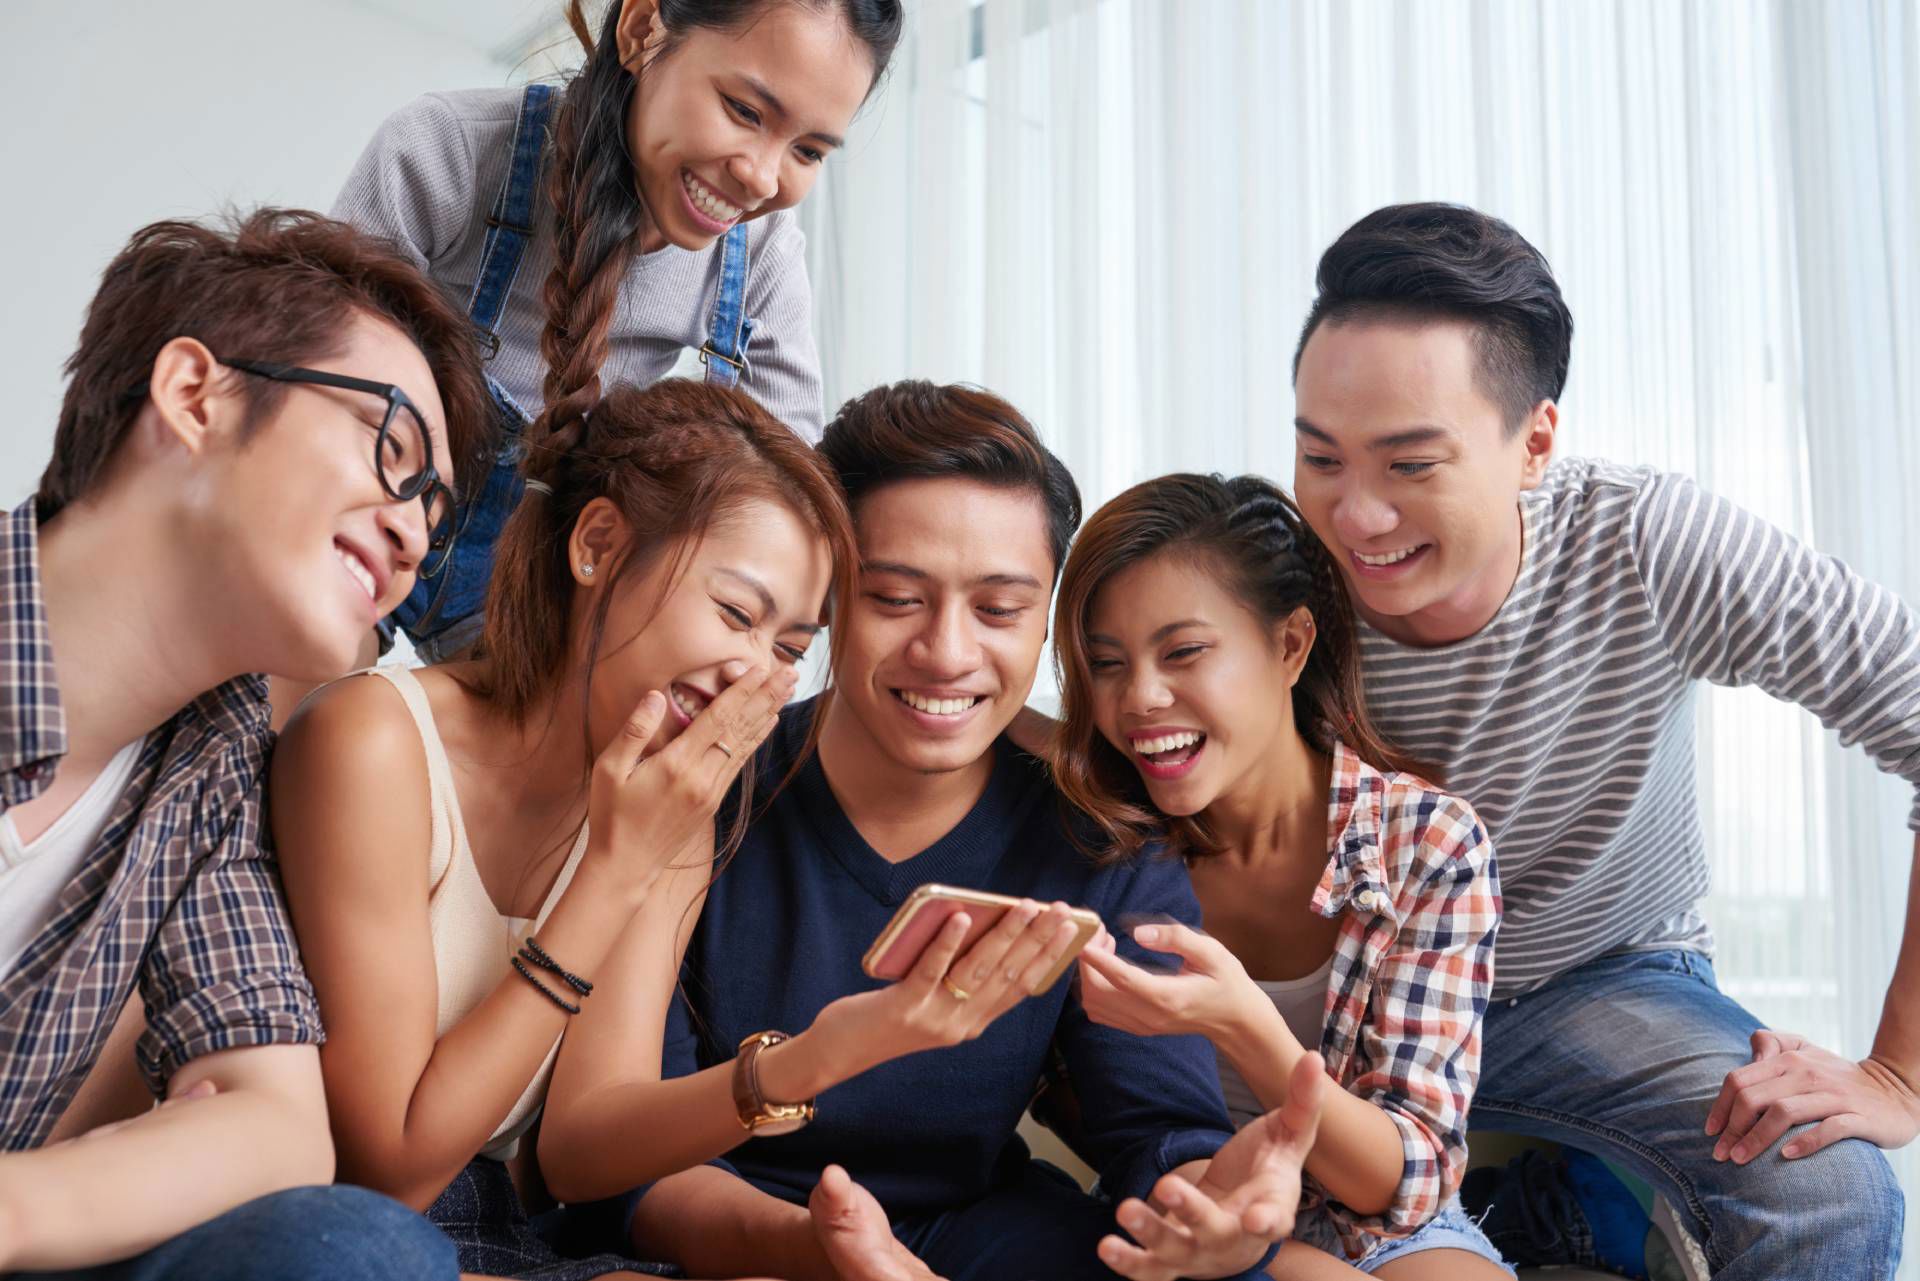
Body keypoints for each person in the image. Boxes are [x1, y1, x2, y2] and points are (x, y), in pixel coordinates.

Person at [535, 382, 1327, 1281]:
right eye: (898, 598)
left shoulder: (1098, 841)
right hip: (725, 1241)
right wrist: (824, 1251)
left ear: (1047, 623)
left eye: (998, 610)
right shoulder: (702, 789)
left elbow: (1160, 1135)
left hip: (978, 1232)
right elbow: (632, 1171)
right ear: (831, 597)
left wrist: (1215, 1205)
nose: (948, 652)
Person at [1287, 201, 1912, 1277]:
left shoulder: (1646, 542)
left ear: (1534, 443)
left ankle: (1561, 1204)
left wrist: (1899, 1075)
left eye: (1410, 465)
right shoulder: (1274, 580)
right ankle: (1553, 1211)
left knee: (1829, 1190)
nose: (1357, 517)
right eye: (1321, 458)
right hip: (1360, 1006)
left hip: (1597, 977)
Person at [269, 377, 855, 1278]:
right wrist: (613, 872)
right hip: (334, 1229)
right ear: (598, 545)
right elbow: (386, 1173)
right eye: (737, 612)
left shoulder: (671, 807)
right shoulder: (372, 741)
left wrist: (804, 1064)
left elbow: (575, 1152)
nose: (752, 672)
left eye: (786, 650)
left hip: (511, 1230)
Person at [0, 207, 489, 1279]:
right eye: (391, 450)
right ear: (195, 395)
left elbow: (281, 1130)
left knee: (359, 1249)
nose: (413, 533)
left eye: (436, 514)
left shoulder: (211, 768)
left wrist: (16, 1211)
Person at [332, 0, 902, 663]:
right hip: (367, 500)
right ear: (640, 30)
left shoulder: (761, 257)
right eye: (745, 111)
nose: (761, 176)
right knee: (303, 716)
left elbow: (791, 483)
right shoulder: (449, 150)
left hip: (533, 570)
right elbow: (322, 399)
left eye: (807, 149)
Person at [1049, 471, 1510, 1279]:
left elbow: (1401, 1180)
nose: (1140, 698)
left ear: (1290, 644)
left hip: (1379, 1221)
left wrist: (1243, 1024)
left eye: (1184, 651)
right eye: (1107, 663)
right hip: (1193, 1206)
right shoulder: (1107, 848)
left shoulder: (1425, 842)